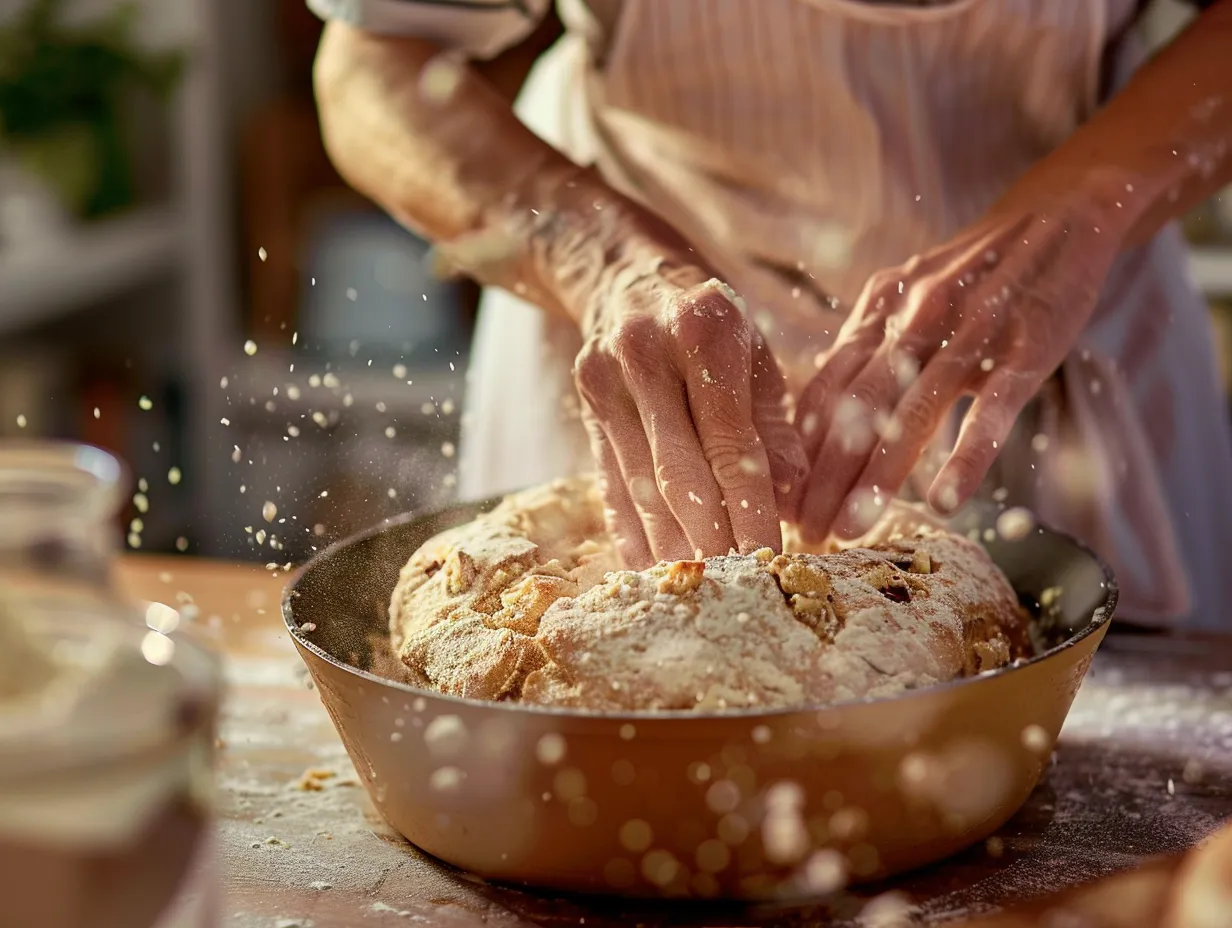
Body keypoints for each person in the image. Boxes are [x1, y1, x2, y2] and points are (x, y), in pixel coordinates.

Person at [308, 0, 1232, 629]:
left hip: (1056, 342)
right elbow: (373, 63)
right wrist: (602, 260)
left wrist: (1083, 208)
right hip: (637, 350)